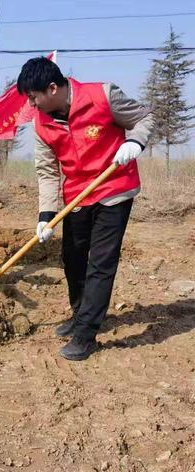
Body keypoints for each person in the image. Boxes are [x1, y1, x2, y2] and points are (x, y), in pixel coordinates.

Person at [17, 57, 154, 361]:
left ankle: (86, 333)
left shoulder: (102, 96)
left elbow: (144, 118)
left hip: (114, 188)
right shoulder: (42, 123)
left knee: (101, 262)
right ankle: (81, 314)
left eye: (33, 96)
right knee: (73, 256)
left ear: (52, 88)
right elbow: (48, 172)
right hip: (78, 195)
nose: (31, 103)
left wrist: (135, 142)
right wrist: (45, 216)